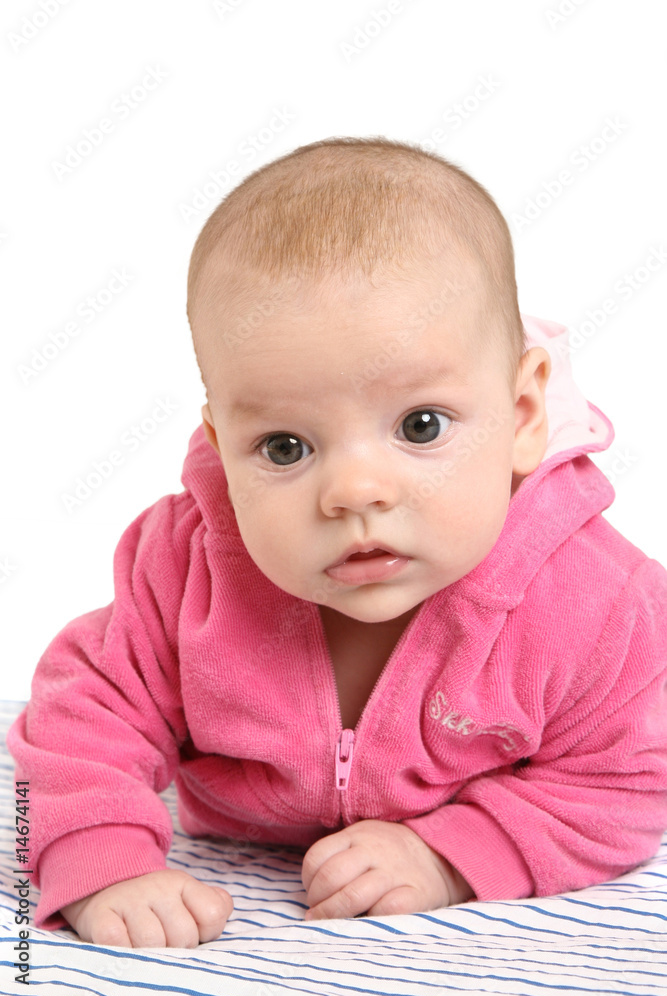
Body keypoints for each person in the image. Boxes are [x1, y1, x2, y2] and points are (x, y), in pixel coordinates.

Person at [8, 136, 667, 950]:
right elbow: (83, 712)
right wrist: (99, 857)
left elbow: (627, 781)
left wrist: (452, 855)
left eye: (420, 426)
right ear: (220, 441)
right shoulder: (185, 570)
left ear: (523, 415)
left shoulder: (599, 605)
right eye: (285, 446)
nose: (354, 492)